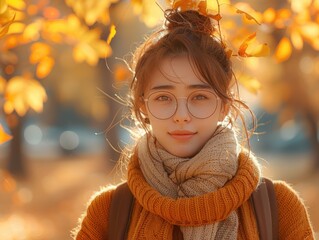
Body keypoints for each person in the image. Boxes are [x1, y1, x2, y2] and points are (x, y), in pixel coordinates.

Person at [72, 4, 315, 240]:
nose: (181, 115)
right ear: (144, 106)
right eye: (164, 98)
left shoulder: (279, 208)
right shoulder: (108, 213)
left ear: (224, 106)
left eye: (199, 97)